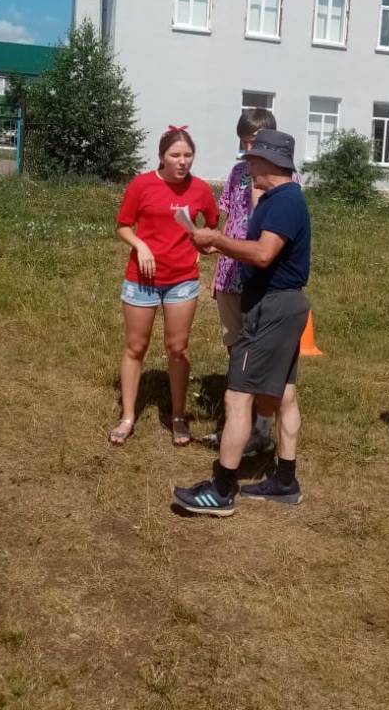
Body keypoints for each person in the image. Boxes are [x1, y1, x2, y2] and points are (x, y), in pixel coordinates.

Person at [172, 129, 311, 516]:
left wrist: (217, 240)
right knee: (284, 394)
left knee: (237, 397)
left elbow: (264, 254)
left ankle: (221, 489)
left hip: (271, 309)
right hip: (281, 305)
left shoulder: (284, 201)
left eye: (253, 159)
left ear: (272, 163)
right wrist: (221, 245)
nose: (248, 165)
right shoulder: (278, 198)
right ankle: (285, 481)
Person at [110, 126, 219, 447]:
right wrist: (140, 245)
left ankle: (178, 415)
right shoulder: (141, 184)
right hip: (141, 280)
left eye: (188, 155)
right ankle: (128, 416)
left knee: (178, 348)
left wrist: (202, 246)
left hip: (182, 280)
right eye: (175, 155)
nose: (182, 161)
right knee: (135, 347)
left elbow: (212, 225)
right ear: (161, 157)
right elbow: (123, 226)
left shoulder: (200, 189)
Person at [210, 106, 281, 456]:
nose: (247, 149)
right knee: (234, 345)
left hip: (261, 277)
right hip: (229, 273)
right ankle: (238, 421)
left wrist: (258, 189)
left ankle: (262, 427)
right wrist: (216, 265)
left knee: (261, 351)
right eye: (243, 142)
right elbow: (227, 217)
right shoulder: (238, 171)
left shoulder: (283, 179)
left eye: (253, 142)